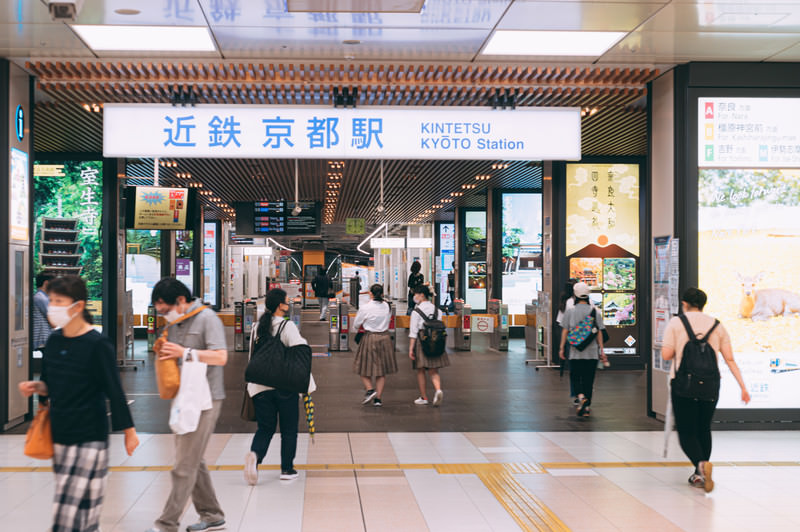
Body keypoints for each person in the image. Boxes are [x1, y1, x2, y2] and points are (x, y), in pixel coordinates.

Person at [18, 275, 139, 532]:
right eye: (51, 301)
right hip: (60, 434)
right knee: (85, 511)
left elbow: (114, 391)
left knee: (67, 513)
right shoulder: (54, 340)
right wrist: (36, 387)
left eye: (59, 301)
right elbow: (49, 384)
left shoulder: (97, 344)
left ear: (78, 306)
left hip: (89, 436)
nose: (52, 307)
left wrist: (129, 432)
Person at [147, 278, 228, 532]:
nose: (164, 315)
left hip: (206, 399)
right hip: (184, 396)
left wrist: (185, 353)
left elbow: (221, 356)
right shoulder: (175, 324)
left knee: (184, 464)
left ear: (180, 301)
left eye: (165, 309)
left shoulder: (208, 319)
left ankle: (167, 523)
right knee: (193, 459)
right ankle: (212, 514)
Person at [661, 287, 750, 493]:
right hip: (711, 384)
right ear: (703, 304)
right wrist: (743, 387)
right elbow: (729, 359)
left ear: (684, 303)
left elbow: (666, 355)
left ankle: (700, 465)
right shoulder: (717, 325)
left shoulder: (676, 323)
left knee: (686, 430)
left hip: (683, 384)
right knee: (703, 428)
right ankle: (699, 473)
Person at [244, 288, 308, 486]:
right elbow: (299, 352)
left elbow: (252, 356)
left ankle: (255, 457)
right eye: (287, 302)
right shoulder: (287, 326)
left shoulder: (257, 327)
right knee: (289, 429)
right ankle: (287, 469)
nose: (288, 305)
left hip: (260, 386)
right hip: (284, 386)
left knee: (265, 428)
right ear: (280, 305)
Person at [559, 282, 608, 418]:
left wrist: (562, 348)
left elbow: (565, 331)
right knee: (589, 379)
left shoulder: (570, 312)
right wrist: (601, 350)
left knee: (575, 377)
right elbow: (599, 332)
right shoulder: (595, 311)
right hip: (592, 353)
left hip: (575, 351)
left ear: (575, 295)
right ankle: (586, 408)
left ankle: (580, 397)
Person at [352, 284, 397, 407]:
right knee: (381, 371)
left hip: (370, 337)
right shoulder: (387, 306)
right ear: (382, 293)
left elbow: (356, 324)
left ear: (370, 293)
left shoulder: (365, 307)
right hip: (385, 337)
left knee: (362, 366)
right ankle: (378, 399)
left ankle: (370, 389)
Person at [408, 284, 449, 406]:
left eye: (415, 294)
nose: (414, 297)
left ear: (422, 295)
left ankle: (424, 397)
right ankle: (438, 389)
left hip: (422, 340)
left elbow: (413, 332)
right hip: (436, 341)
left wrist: (411, 348)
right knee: (434, 369)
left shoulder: (416, 312)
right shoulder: (438, 310)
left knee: (420, 370)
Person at [555, 279, 577, 404]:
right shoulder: (589, 303)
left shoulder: (565, 303)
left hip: (571, 339)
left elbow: (561, 325)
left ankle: (576, 394)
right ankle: (584, 393)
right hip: (585, 339)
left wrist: (562, 347)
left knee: (574, 368)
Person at [33, 271, 55, 350]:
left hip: (42, 339)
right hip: (42, 339)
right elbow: (53, 322)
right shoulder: (41, 298)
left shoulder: (40, 297)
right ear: (46, 283)